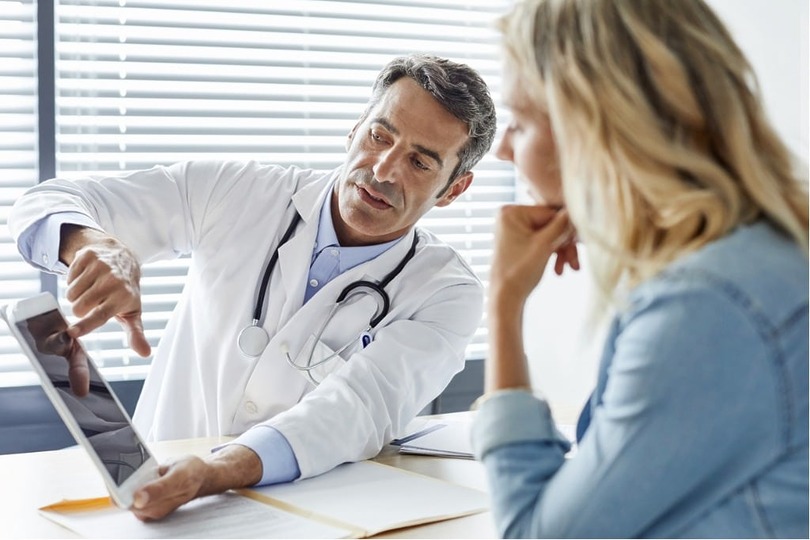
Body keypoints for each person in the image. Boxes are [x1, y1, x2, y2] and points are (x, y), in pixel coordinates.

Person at [10, 53, 497, 520]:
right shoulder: (237, 192)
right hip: (154, 501)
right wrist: (95, 244)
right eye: (378, 136)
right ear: (354, 129)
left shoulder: (447, 292)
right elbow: (47, 201)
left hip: (304, 517)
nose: (384, 170)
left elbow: (360, 408)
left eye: (420, 163)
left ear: (453, 189)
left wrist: (217, 471)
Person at [471, 0, 809, 537]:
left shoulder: (710, 306)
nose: (503, 151)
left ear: (597, 128)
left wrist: (504, 304)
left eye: (518, 121)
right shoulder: (757, 259)